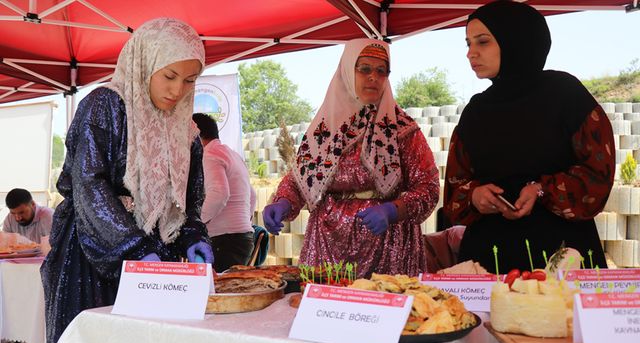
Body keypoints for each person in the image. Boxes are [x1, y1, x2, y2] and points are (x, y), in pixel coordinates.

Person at [41, 18, 213, 343]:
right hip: (91, 257)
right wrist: (132, 247)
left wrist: (194, 235)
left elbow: (188, 201)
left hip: (153, 260)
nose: (177, 90)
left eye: (189, 80)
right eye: (169, 76)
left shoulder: (187, 131)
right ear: (143, 63)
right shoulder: (104, 106)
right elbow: (88, 184)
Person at [444, 0, 615, 273]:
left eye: (482, 42)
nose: (470, 54)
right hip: (490, 260)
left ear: (516, 41)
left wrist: (541, 189)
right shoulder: (475, 111)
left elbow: (598, 175)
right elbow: (455, 187)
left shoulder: (565, 95)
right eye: (468, 44)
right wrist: (475, 196)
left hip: (562, 257)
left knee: (559, 315)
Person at [263, 39, 440, 277]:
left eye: (381, 71)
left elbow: (428, 188)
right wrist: (282, 202)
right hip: (327, 245)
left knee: (384, 309)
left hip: (388, 248)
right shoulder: (324, 129)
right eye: (364, 69)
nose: (373, 77)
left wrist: (393, 210)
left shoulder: (402, 130)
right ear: (347, 71)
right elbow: (301, 180)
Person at [193, 113, 257, 272]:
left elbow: (219, 194)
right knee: (230, 291)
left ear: (195, 135)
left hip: (224, 240)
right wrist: (242, 223)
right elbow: (252, 195)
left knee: (218, 293)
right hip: (242, 238)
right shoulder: (232, 155)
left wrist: (196, 223)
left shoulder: (208, 155)